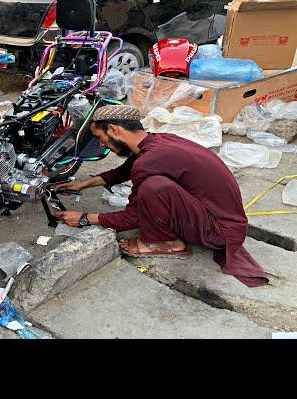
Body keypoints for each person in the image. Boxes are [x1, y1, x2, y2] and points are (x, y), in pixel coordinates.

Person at [52, 104, 268, 288]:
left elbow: (132, 218)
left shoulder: (148, 160)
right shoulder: (156, 141)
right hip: (225, 221)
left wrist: (83, 218)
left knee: (153, 187)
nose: (101, 144)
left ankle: (168, 244)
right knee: (152, 183)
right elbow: (125, 170)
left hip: (219, 232)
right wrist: (85, 183)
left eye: (100, 137)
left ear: (113, 129)